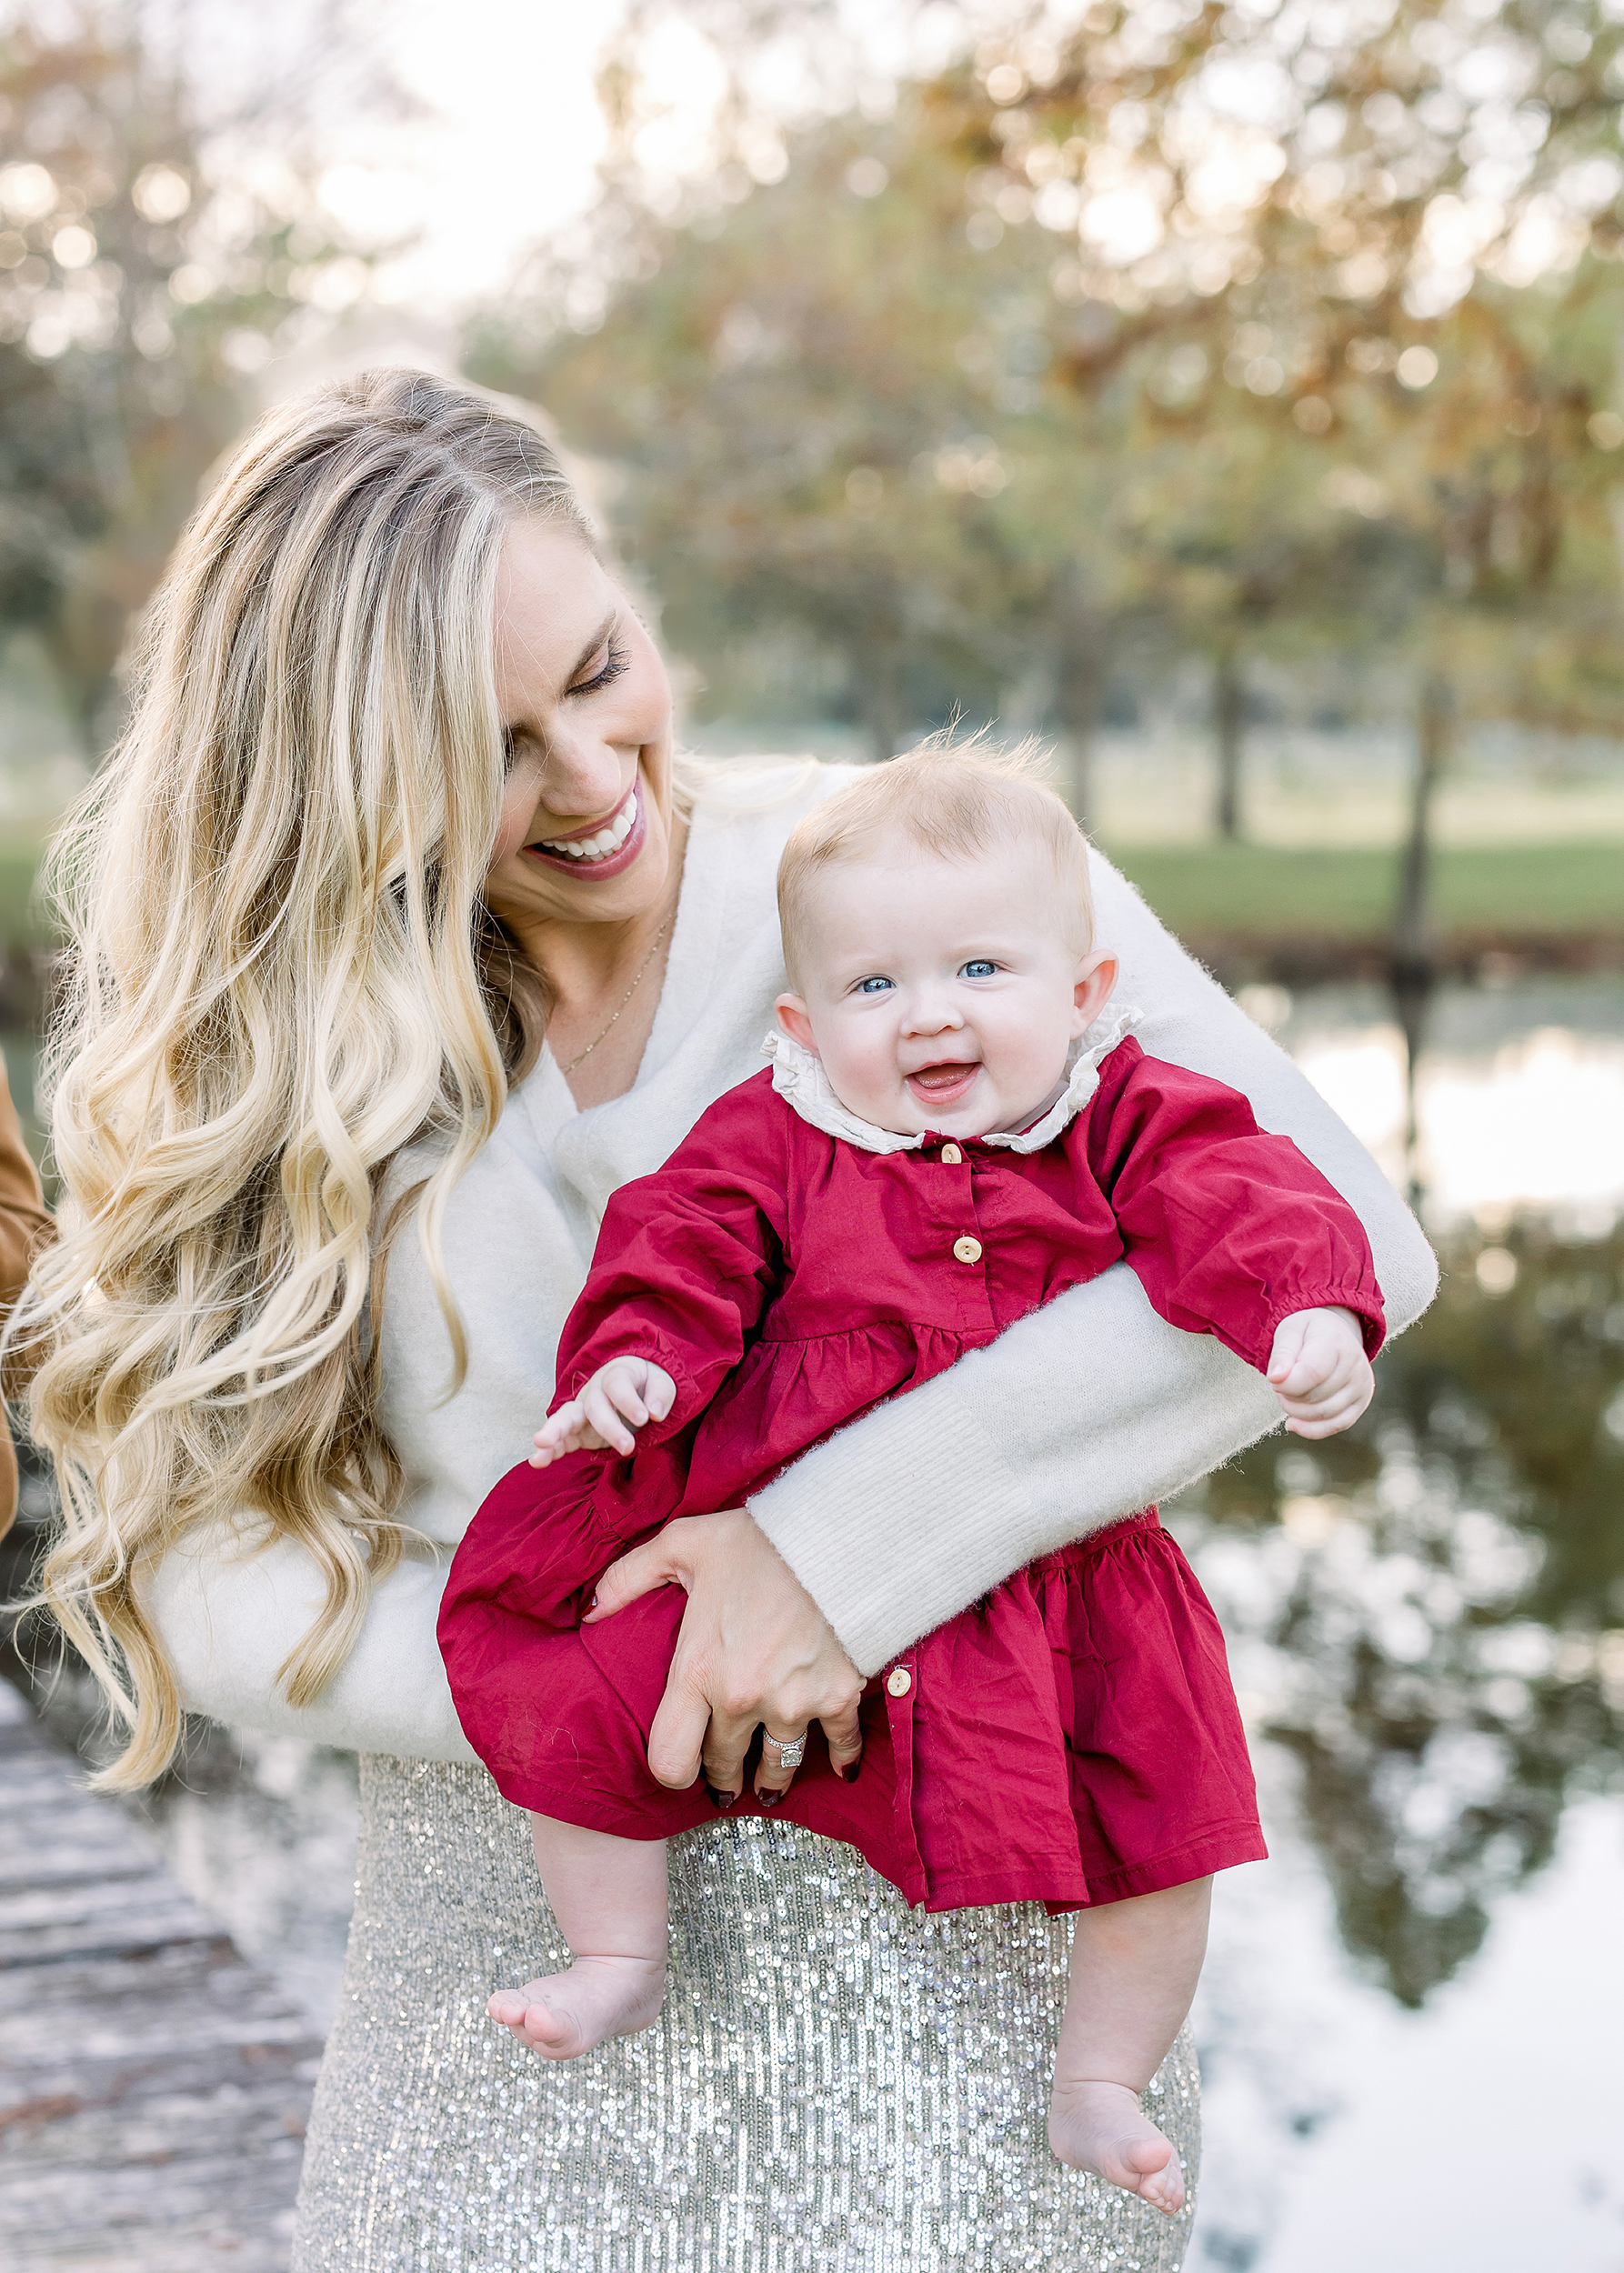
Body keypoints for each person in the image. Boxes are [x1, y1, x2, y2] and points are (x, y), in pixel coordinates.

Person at [17, 370, 1437, 2271]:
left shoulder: (918, 893)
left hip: (965, 2020)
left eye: (601, 670)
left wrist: (830, 1557)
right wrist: (626, 1689)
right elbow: (198, 1566)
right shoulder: (262, 1063)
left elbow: (1340, 1238)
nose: (592, 779)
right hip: (502, 1998)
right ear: (341, 774)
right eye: (490, 746)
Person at [438, 749, 1386, 2218]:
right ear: (804, 1025)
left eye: (980, 967)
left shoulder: (1123, 1106)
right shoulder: (776, 1132)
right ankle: (617, 1956)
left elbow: (1239, 1193)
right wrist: (633, 1363)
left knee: (1165, 1814)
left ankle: (1099, 2080)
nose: (929, 1010)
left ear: (1082, 992)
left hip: (1065, 1571)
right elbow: (678, 1246)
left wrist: (1301, 1311)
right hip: (750, 1543)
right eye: (873, 988)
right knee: (583, 1699)